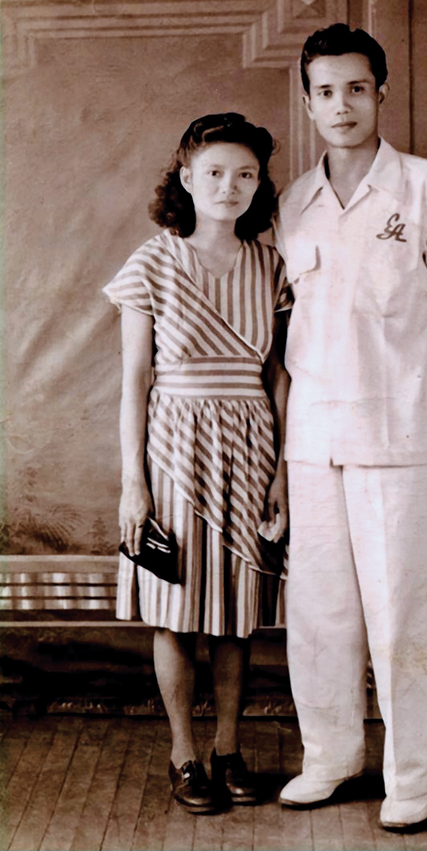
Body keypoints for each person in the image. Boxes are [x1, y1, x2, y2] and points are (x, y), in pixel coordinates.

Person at [274, 24, 427, 830]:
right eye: (325, 92)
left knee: (403, 611)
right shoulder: (292, 203)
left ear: (382, 92)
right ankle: (329, 756)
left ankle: (410, 775)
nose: (342, 105)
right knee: (322, 608)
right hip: (315, 440)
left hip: (403, 438)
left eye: (356, 88)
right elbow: (289, 334)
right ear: (307, 102)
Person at [103, 113, 291, 814]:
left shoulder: (272, 264)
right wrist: (134, 484)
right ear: (186, 178)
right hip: (174, 447)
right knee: (177, 609)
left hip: (251, 445)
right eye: (214, 172)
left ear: (259, 183)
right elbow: (134, 383)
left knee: (236, 613)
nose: (230, 186)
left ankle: (230, 747)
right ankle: (185, 754)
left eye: (245, 174)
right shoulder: (151, 262)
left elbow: (279, 375)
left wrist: (280, 472)